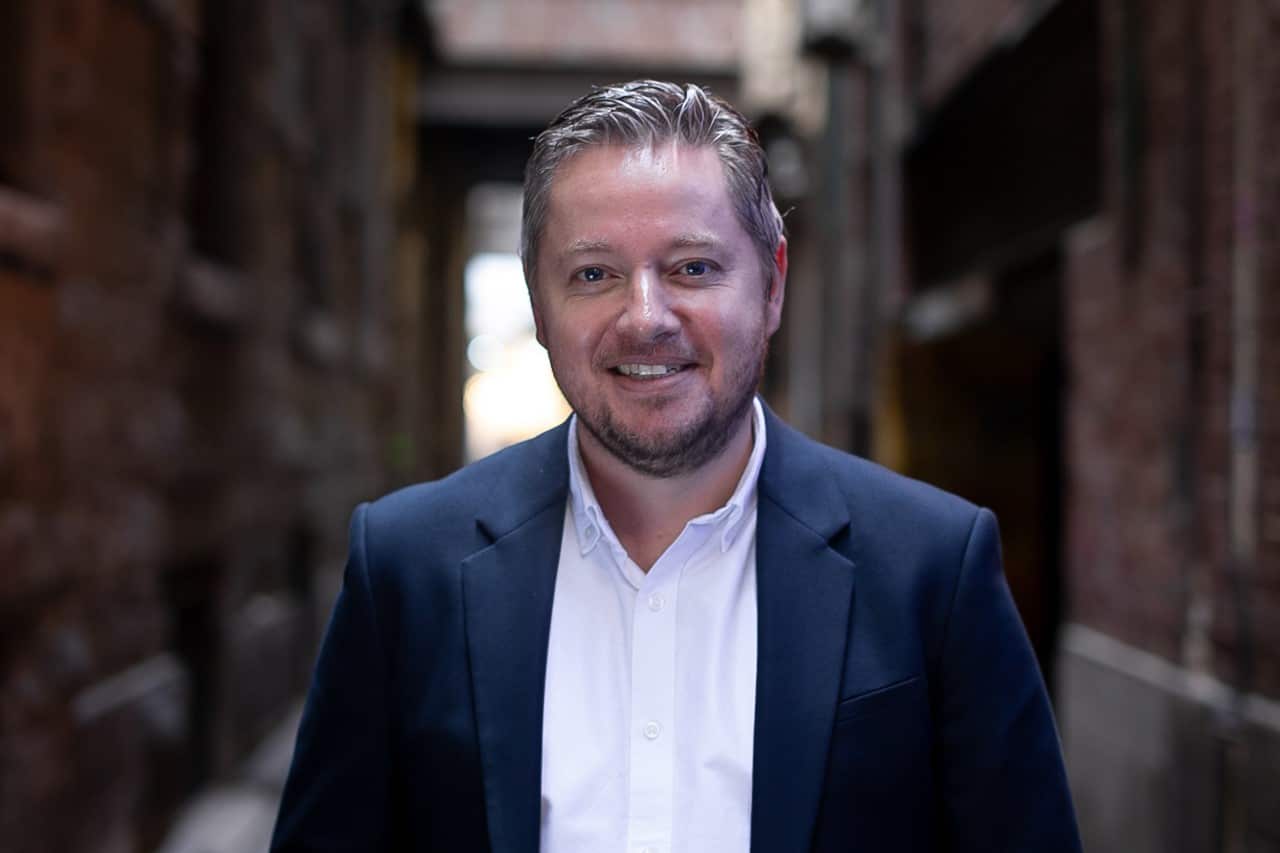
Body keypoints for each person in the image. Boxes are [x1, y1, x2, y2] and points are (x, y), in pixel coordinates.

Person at [270, 80, 1081, 853]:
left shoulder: (933, 568)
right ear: (540, 306)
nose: (646, 316)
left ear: (771, 286)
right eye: (595, 274)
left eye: (693, 267)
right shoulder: (407, 565)